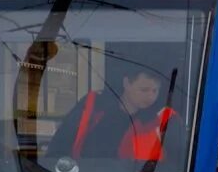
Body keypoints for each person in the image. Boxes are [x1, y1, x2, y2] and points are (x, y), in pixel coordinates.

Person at [47, 67, 180, 164]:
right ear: (127, 83)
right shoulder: (93, 107)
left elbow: (179, 164)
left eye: (155, 91)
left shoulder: (164, 119)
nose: (150, 96)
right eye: (144, 90)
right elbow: (58, 148)